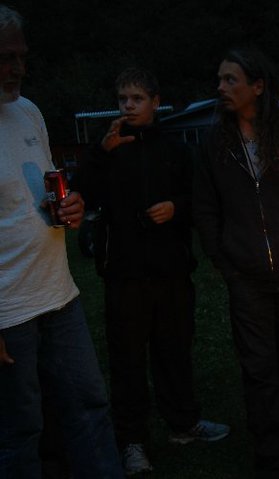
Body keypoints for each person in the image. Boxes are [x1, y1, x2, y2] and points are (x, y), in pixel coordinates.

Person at [72, 67, 229, 475]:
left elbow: (200, 200)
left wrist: (176, 207)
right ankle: (132, 441)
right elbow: (80, 192)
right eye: (123, 99)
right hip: (124, 273)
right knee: (127, 359)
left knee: (174, 349)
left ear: (155, 103)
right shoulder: (108, 147)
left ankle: (183, 423)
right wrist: (101, 152)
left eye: (137, 98)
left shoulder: (175, 149)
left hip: (171, 269)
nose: (128, 106)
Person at [193, 47, 279, 478]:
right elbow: (206, 209)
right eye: (220, 79)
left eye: (230, 79)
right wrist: (226, 263)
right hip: (246, 274)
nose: (220, 87)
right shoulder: (216, 143)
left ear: (257, 86)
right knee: (258, 367)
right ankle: (274, 456)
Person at [0, 5, 124, 478]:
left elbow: (47, 188)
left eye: (22, 56)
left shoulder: (27, 111)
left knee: (88, 406)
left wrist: (70, 205)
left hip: (58, 293)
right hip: (8, 310)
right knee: (19, 430)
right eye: (5, 58)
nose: (18, 68)